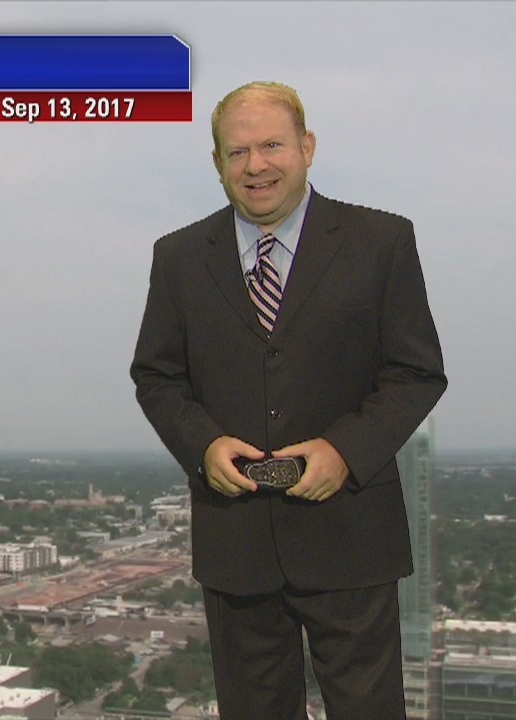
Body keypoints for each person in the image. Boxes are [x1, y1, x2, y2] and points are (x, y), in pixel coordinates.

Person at [129, 81, 447, 719]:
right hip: (236, 543)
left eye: (272, 146)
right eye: (238, 152)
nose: (256, 165)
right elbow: (157, 376)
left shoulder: (381, 241)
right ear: (217, 163)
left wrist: (344, 453)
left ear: (307, 147)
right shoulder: (179, 257)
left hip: (351, 536)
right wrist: (204, 446)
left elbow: (416, 372)